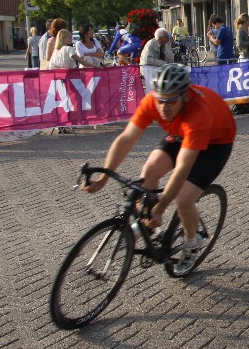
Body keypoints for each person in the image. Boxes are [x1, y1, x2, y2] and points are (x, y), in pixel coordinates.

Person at [82, 64, 235, 263]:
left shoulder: (198, 114)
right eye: (161, 100)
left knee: (183, 199)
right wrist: (104, 178)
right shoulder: (152, 102)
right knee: (148, 172)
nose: (164, 107)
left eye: (171, 101)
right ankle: (147, 225)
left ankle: (192, 242)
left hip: (216, 143)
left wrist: (160, 209)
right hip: (181, 133)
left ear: (185, 97)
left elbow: (181, 170)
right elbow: (126, 138)